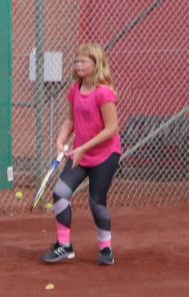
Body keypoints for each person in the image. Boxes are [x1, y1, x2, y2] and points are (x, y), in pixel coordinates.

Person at [41, 43, 122, 267]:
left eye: (83, 61)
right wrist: (60, 140)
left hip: (105, 155)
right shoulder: (75, 90)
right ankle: (64, 246)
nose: (78, 65)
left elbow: (111, 128)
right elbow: (71, 120)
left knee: (96, 201)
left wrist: (84, 147)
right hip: (80, 154)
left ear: (96, 64)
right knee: (60, 193)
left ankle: (106, 250)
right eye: (76, 61)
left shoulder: (104, 92)